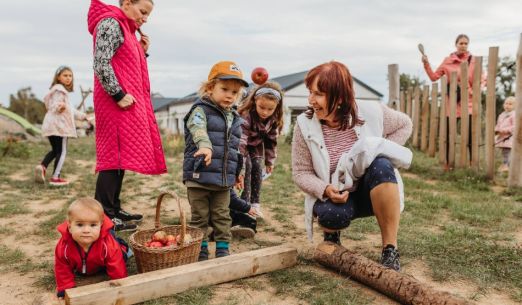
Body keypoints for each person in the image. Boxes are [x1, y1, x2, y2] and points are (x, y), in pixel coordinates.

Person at [292, 61, 412, 271]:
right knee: (331, 215)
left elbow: (405, 124)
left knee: (381, 164)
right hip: (336, 194)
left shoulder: (370, 111)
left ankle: (390, 249)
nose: (311, 100)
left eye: (318, 94)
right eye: (310, 92)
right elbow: (301, 172)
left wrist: (381, 149)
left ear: (339, 97)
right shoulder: (304, 124)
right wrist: (325, 189)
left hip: (369, 189)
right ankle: (331, 236)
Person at [87, 0, 166, 232]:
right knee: (112, 158)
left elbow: (123, 62)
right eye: (143, 11)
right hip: (114, 102)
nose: (145, 18)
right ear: (127, 3)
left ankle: (113, 207)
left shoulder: (126, 29)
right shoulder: (111, 23)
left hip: (123, 103)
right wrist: (118, 94)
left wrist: (142, 51)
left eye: (148, 14)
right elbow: (101, 63)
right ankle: (105, 214)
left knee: (120, 157)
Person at [183, 60, 248, 261]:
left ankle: (222, 249)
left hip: (223, 179)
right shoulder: (200, 110)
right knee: (199, 216)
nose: (230, 95)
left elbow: (236, 149)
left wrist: (238, 172)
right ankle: (201, 249)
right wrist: (204, 145)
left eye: (235, 92)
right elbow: (198, 129)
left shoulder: (234, 117)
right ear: (210, 88)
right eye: (225, 89)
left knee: (222, 215)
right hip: (199, 175)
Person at [421, 34, 485, 165]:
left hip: (469, 102)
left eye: (466, 43)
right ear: (456, 44)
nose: (463, 46)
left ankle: (473, 163)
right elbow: (434, 77)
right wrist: (426, 63)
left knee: (470, 134)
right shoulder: (447, 60)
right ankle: (448, 163)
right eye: (461, 43)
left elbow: (482, 79)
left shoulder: (474, 61)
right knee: (449, 134)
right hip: (452, 103)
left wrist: (472, 91)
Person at [54, 198, 130, 299]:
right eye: (80, 224)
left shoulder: (108, 245)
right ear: (70, 226)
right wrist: (65, 288)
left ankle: (122, 245)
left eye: (93, 225)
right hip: (84, 265)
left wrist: (120, 284)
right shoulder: (64, 246)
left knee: (120, 254)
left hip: (104, 261)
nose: (86, 230)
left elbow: (117, 265)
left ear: (101, 225)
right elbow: (62, 267)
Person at [35, 66, 89, 186]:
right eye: (65, 75)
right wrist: (60, 107)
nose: (68, 78)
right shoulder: (60, 90)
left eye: (70, 76)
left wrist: (82, 116)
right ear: (58, 77)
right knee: (62, 151)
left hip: (50, 125)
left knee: (55, 150)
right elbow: (57, 105)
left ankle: (42, 166)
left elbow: (69, 110)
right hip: (60, 126)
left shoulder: (54, 90)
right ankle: (55, 177)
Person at [238, 82, 285, 218]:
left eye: (270, 109)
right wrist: (239, 165)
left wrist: (270, 161)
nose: (265, 112)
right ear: (254, 101)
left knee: (257, 167)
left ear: (276, 107)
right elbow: (241, 140)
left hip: (256, 147)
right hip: (242, 146)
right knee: (247, 167)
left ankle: (255, 204)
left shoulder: (274, 119)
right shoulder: (246, 115)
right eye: (262, 107)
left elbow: (271, 141)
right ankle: (244, 206)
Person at [495, 96, 516, 172]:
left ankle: (506, 165)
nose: (507, 105)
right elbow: (498, 124)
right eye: (506, 103)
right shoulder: (501, 115)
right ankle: (506, 164)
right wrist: (496, 130)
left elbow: (514, 127)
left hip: (509, 137)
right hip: (502, 137)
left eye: (510, 104)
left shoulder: (514, 115)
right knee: (504, 152)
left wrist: (503, 130)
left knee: (507, 151)